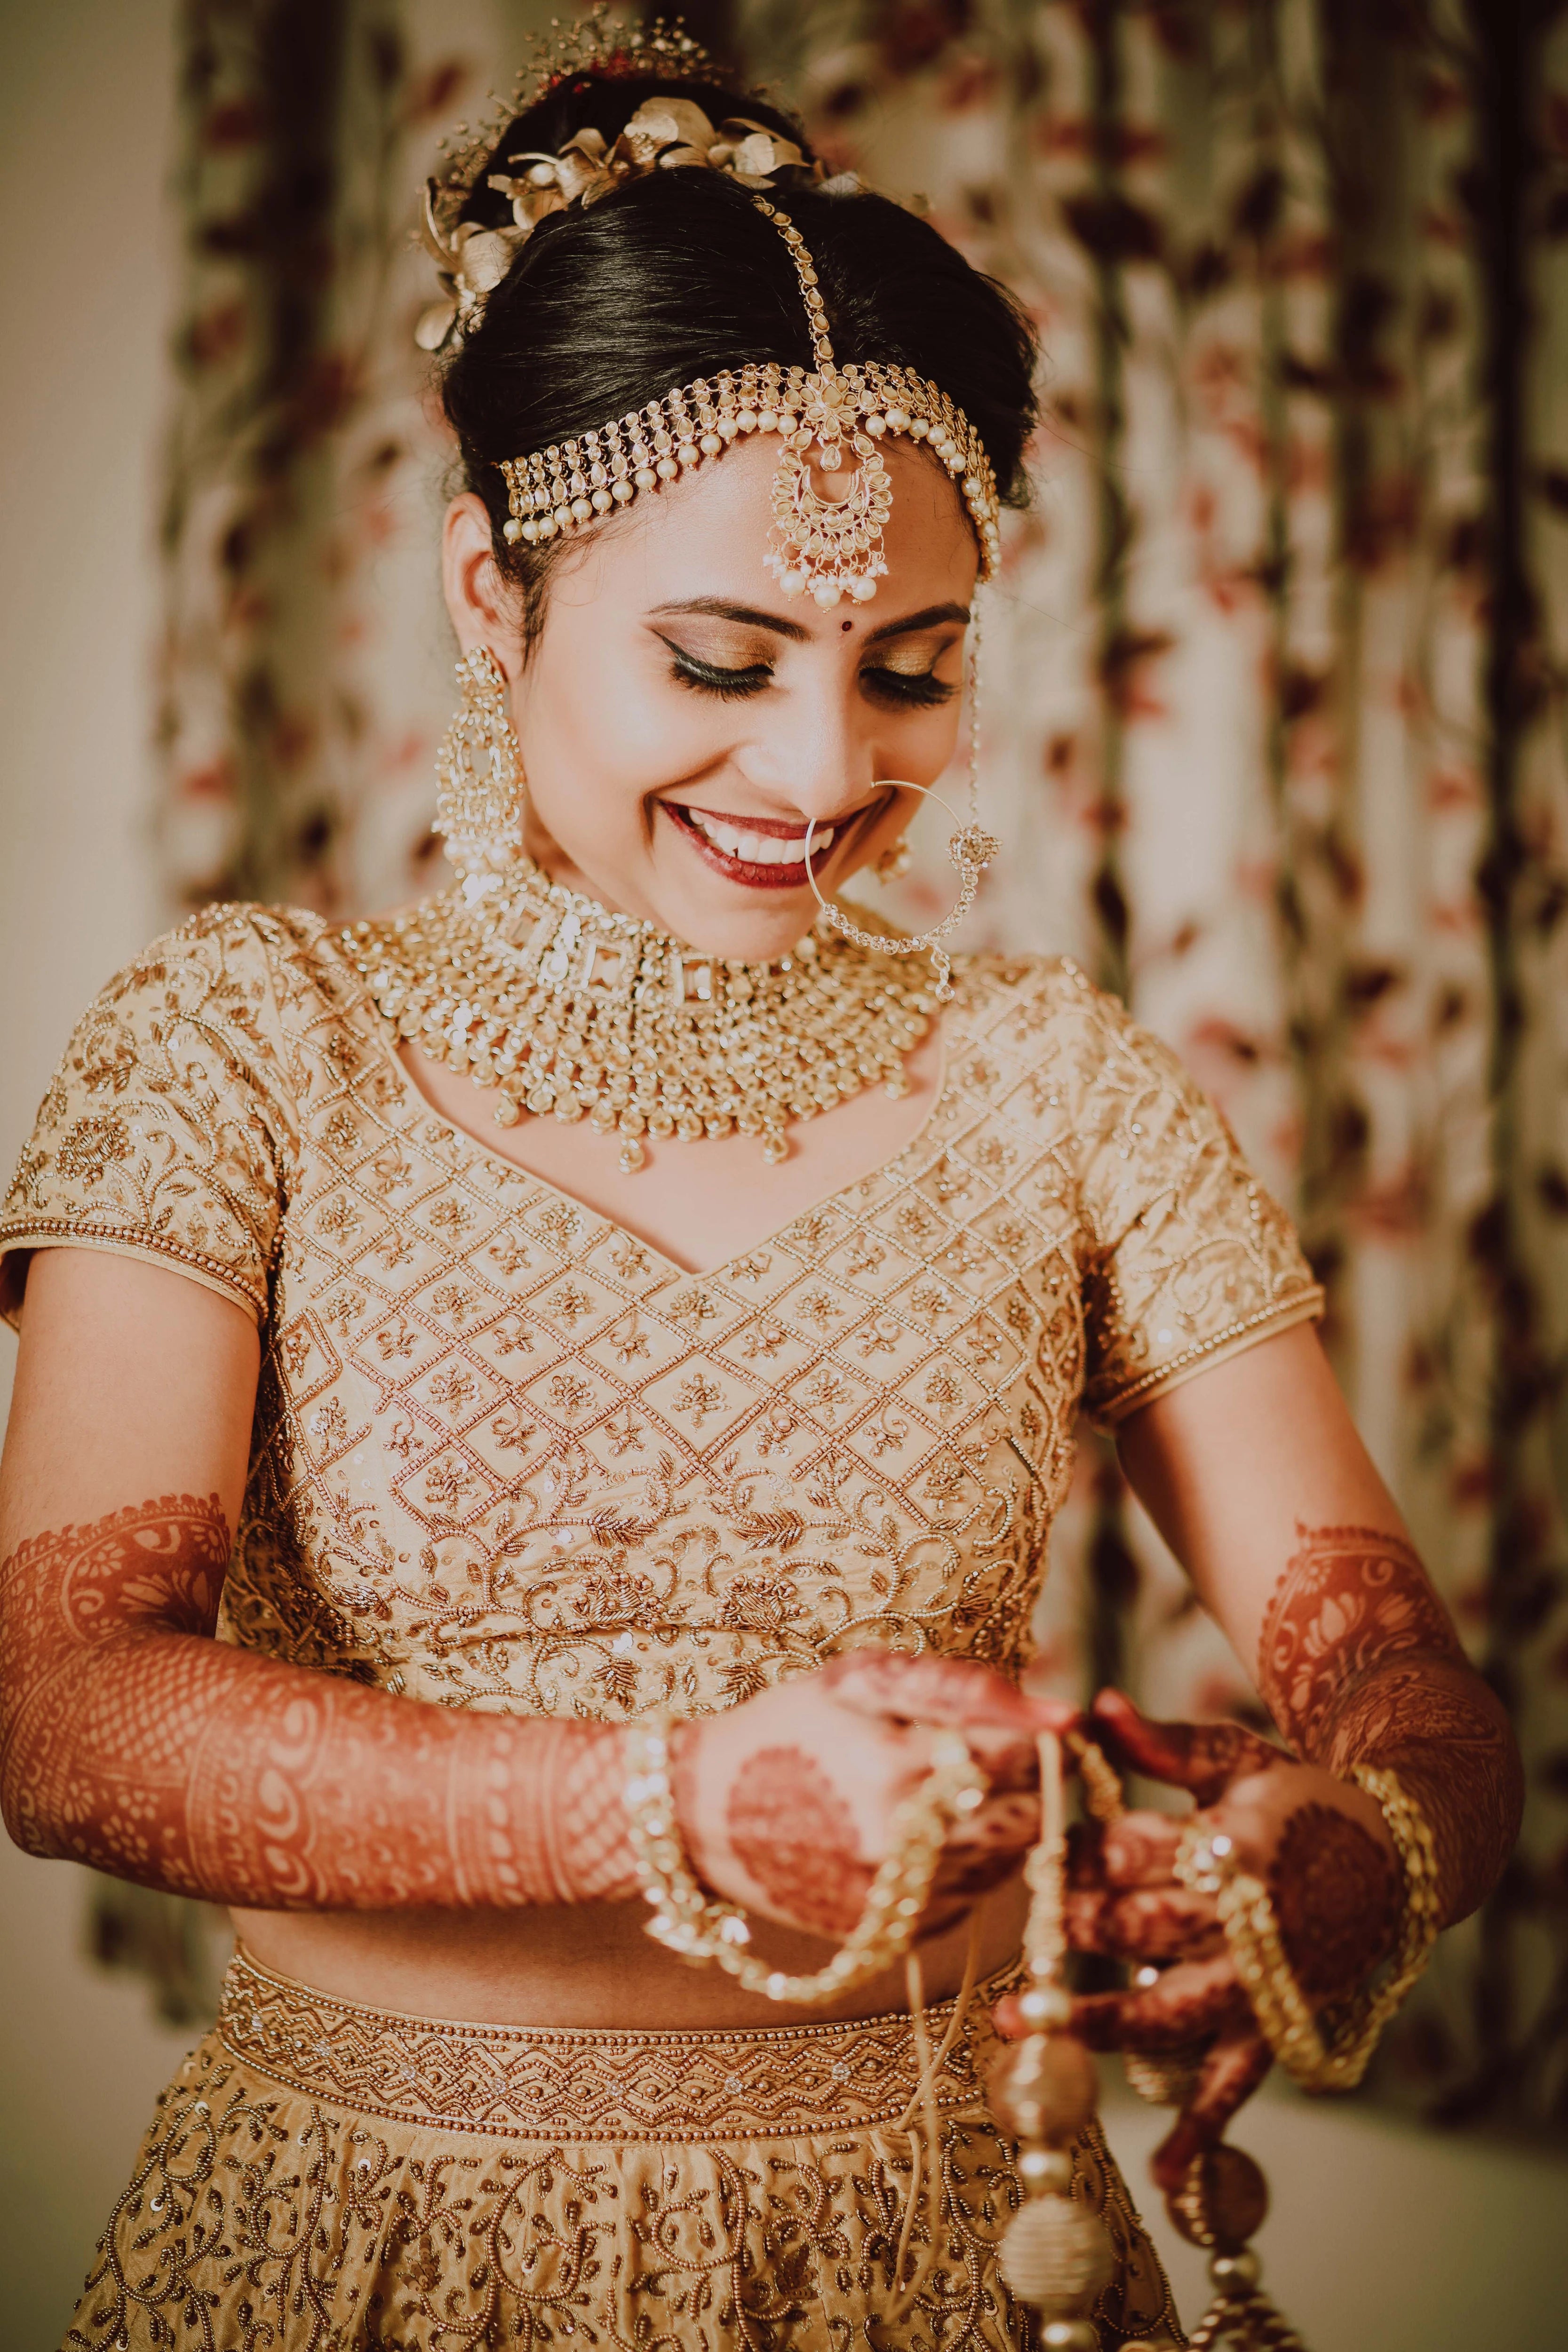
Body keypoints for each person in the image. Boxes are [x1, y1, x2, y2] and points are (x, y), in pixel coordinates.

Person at [0, 19, 1520, 2349]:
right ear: (489, 598)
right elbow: (67, 1715)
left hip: (953, 2256)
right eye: (720, 656)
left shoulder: (1052, 1082)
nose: (819, 765)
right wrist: (677, 1802)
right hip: (362, 2247)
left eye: (911, 670)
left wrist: (1349, 1853)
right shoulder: (250, 1040)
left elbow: (1396, 1673)